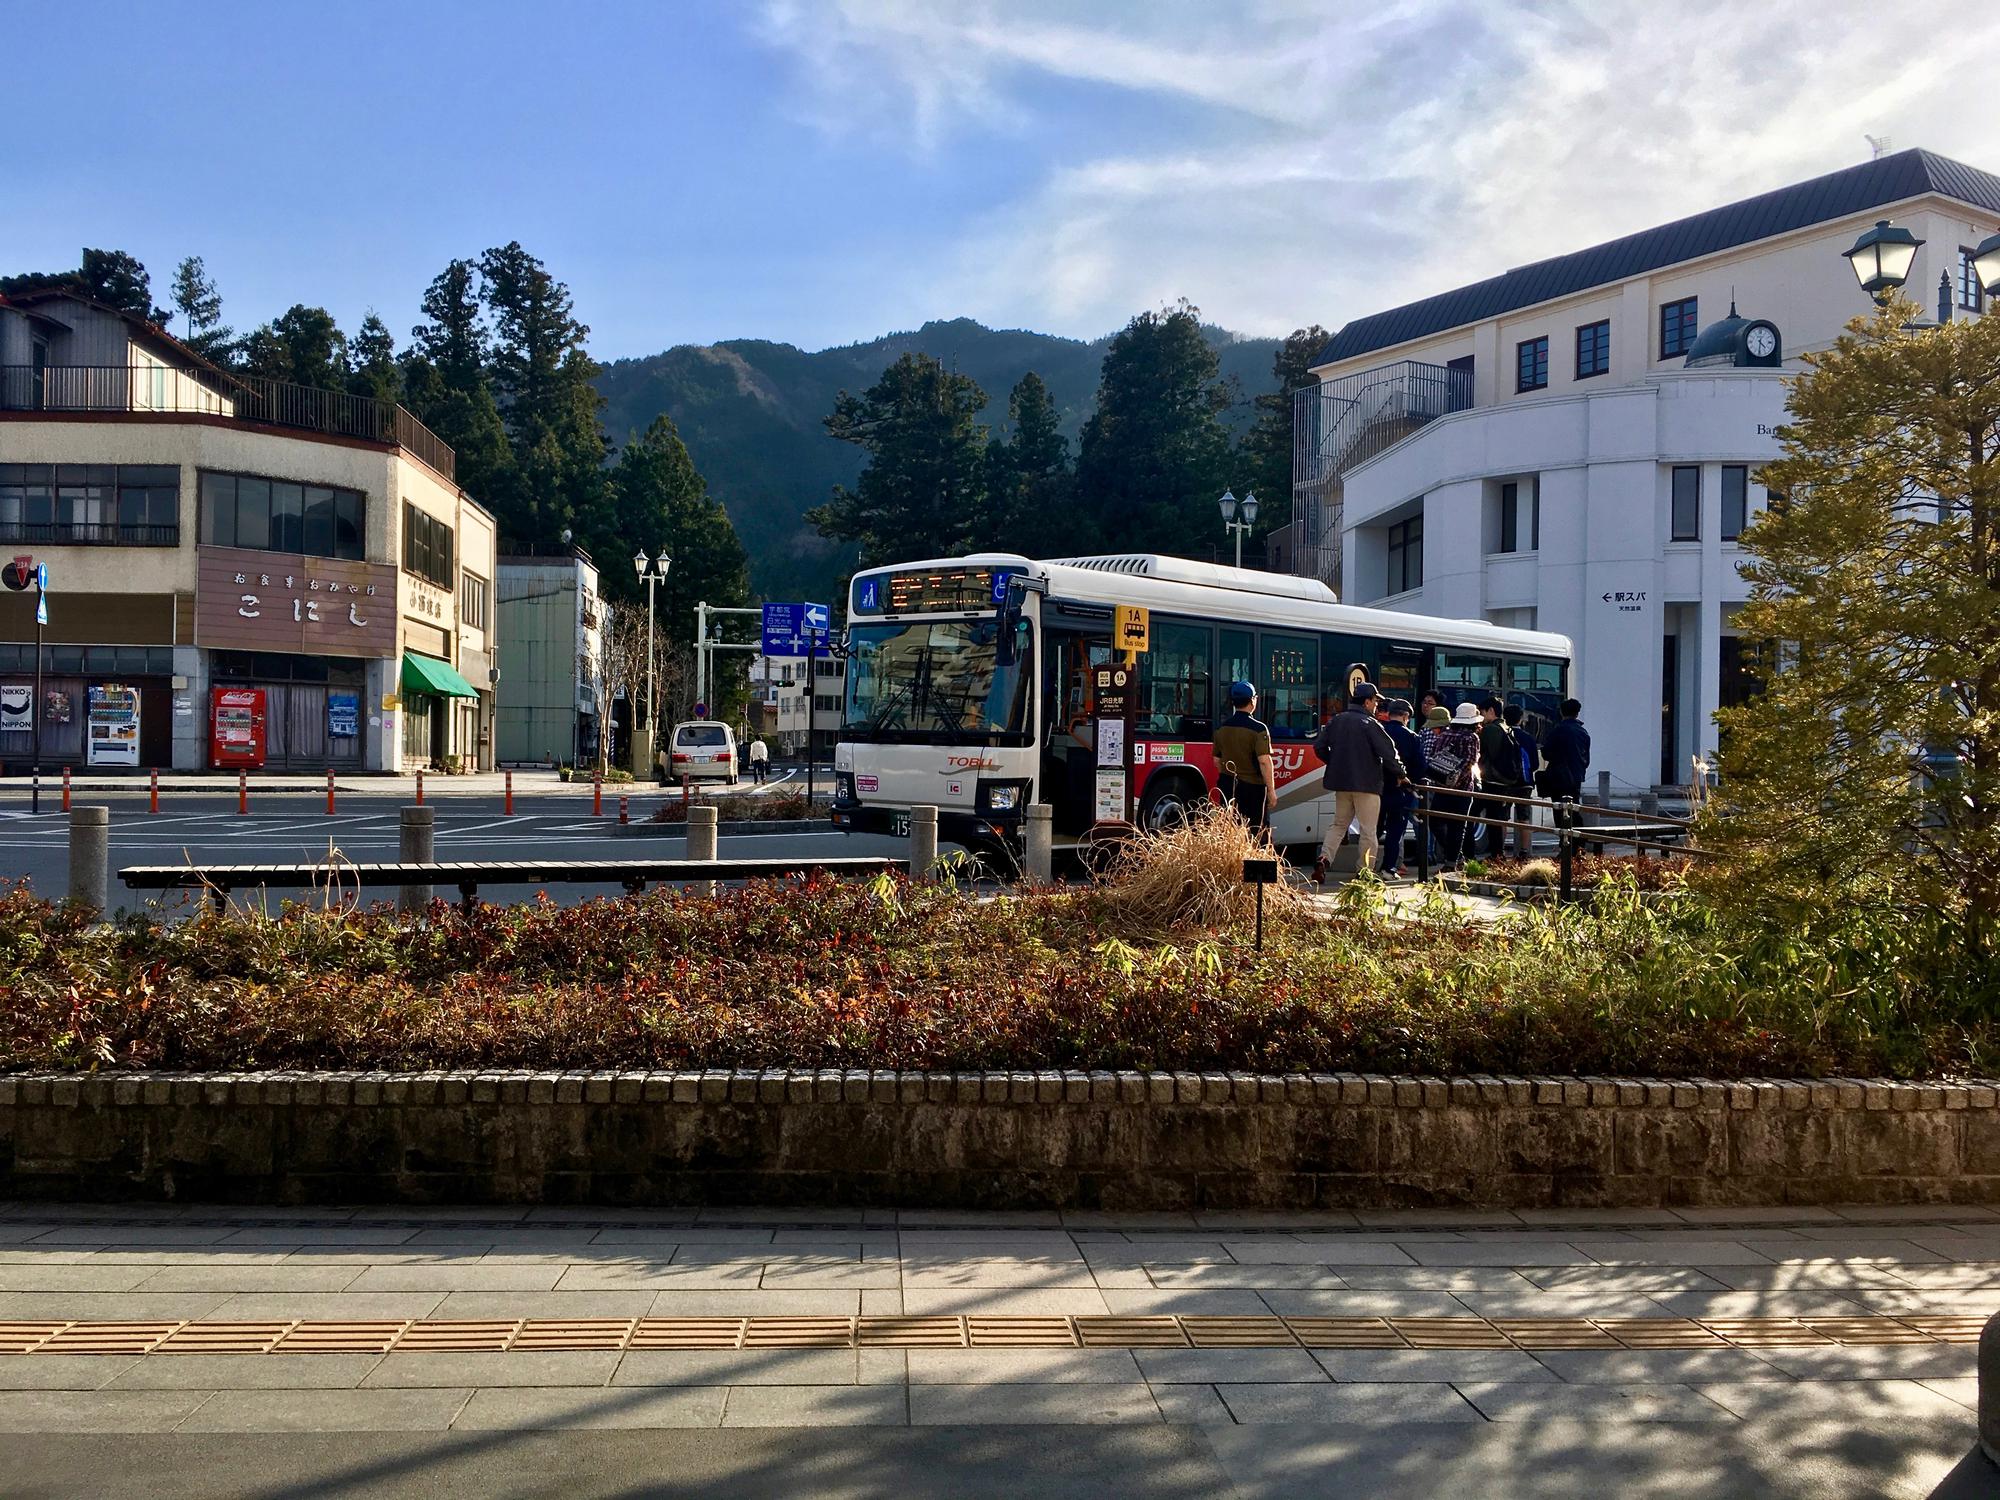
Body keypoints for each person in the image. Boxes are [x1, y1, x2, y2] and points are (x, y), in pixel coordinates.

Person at [1309, 681, 1408, 883]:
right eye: (1374, 701)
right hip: (1367, 784)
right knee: (1368, 830)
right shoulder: (1371, 724)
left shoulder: (1336, 721)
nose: (1376, 706)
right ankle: (1364, 872)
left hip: (1341, 783)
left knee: (1338, 825)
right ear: (1366, 701)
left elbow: (1319, 746)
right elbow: (1388, 753)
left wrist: (1334, 762)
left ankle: (1324, 858)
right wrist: (1401, 773)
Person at [1422, 702, 1483, 867]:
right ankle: (1452, 861)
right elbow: (1471, 761)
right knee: (1458, 825)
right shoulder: (1472, 737)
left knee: (1435, 821)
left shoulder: (1444, 735)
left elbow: (1434, 756)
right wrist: (1455, 777)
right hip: (1462, 789)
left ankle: (1455, 856)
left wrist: (1444, 776)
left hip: (1441, 786)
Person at [1212, 680, 1275, 836]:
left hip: (1228, 787)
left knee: (1230, 832)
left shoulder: (1221, 728)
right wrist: (1271, 791)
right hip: (1253, 790)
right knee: (1257, 832)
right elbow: (1264, 762)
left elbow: (1217, 760)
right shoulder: (1259, 729)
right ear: (1253, 700)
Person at [1378, 698, 1426, 876]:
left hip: (1378, 788)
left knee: (1373, 830)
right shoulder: (1412, 737)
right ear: (1406, 716)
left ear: (1389, 714)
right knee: (1395, 830)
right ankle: (1388, 868)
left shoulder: (1379, 731)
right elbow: (1420, 766)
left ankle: (1365, 867)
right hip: (1401, 790)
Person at [1476, 697, 1528, 860]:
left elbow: (1485, 754)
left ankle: (1495, 854)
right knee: (1495, 817)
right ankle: (1497, 854)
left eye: (1482, 712)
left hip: (1491, 779)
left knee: (1475, 814)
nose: (1481, 716)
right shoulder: (1506, 728)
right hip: (1503, 780)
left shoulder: (1491, 729)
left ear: (1491, 710)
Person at [1539, 698, 1591, 802]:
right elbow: (1586, 759)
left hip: (1558, 777)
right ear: (1577, 714)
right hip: (1576, 777)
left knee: (1558, 809)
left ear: (1561, 712)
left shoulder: (1557, 730)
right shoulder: (1583, 733)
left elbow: (1546, 754)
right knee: (1574, 807)